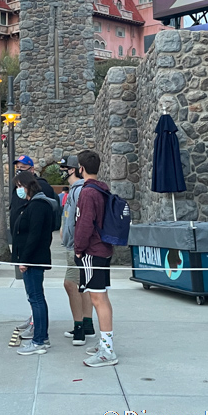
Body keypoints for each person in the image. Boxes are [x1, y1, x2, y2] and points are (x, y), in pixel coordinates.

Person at [74, 149, 118, 367]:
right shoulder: (102, 190)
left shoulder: (88, 192)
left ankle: (107, 351)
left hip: (92, 251)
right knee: (102, 297)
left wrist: (78, 249)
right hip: (103, 248)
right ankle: (105, 343)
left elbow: (85, 223)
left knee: (98, 299)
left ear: (81, 168)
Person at [11, 154, 57, 340]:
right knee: (34, 296)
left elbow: (35, 234)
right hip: (29, 256)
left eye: (19, 186)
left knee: (36, 297)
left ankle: (39, 338)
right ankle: (37, 331)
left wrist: (25, 259)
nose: (18, 190)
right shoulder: (32, 204)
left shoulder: (38, 204)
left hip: (33, 258)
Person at [59, 155, 96, 346]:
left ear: (72, 170)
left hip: (76, 246)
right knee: (83, 284)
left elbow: (80, 220)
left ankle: (79, 327)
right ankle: (87, 324)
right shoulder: (78, 189)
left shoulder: (79, 190)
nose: (62, 172)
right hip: (77, 244)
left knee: (70, 284)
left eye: (64, 168)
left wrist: (74, 243)